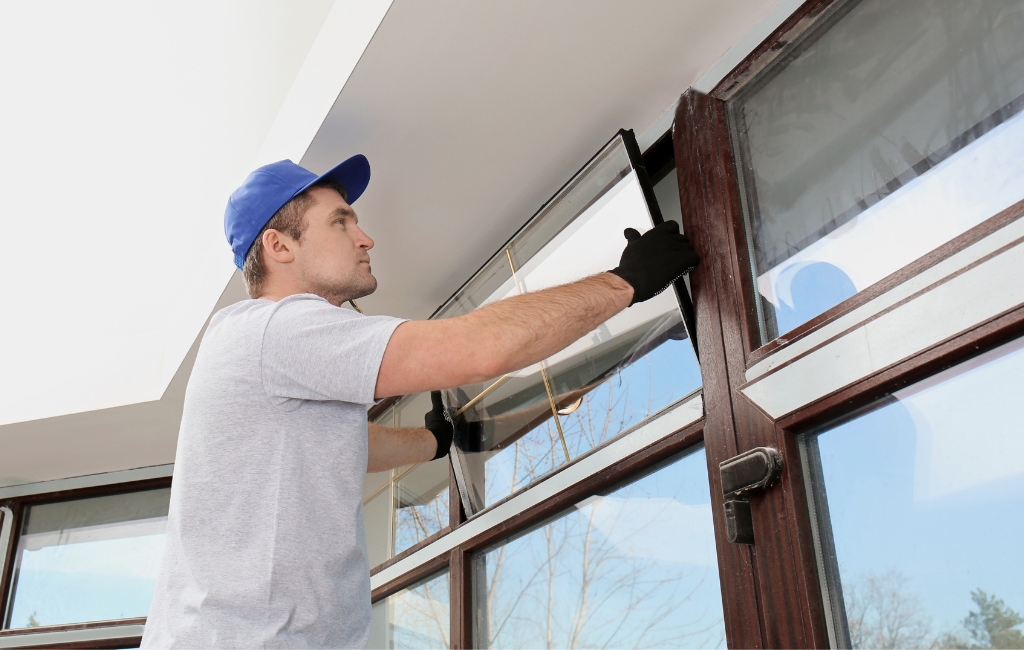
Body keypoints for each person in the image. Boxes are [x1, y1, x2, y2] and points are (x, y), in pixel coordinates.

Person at [141, 154, 698, 649]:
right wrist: (626, 281)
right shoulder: (275, 329)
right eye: (341, 220)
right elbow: (482, 347)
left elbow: (347, 446)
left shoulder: (260, 355)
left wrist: (437, 443)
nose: (366, 237)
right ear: (278, 245)